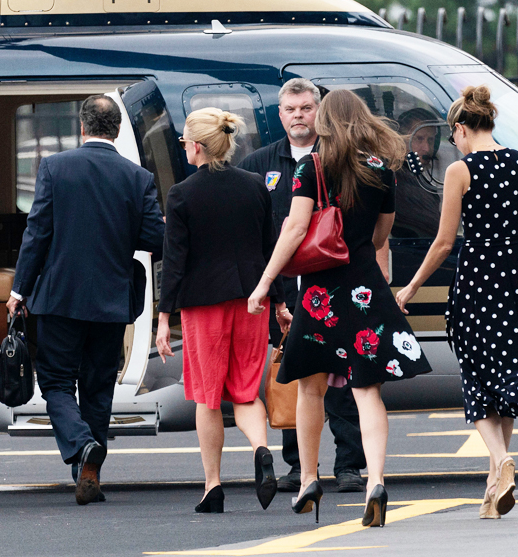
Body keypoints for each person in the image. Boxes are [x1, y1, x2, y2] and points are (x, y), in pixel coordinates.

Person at [248, 89, 432, 527]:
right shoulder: (381, 170)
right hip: (366, 286)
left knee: (310, 387)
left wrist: (265, 282)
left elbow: (294, 228)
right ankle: (376, 483)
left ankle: (309, 478)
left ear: (325, 120)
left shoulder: (310, 166)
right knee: (366, 389)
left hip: (319, 293)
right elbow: (382, 234)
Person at [7, 95, 165, 506]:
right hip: (111, 300)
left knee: (57, 381)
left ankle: (80, 445)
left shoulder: (55, 168)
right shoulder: (137, 177)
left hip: (60, 298)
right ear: (115, 130)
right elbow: (153, 239)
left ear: (82, 127)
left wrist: (19, 290)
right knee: (98, 387)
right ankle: (87, 470)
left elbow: (37, 232)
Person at [396, 85, 518, 521]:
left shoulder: (461, 170)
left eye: (452, 135)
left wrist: (411, 287)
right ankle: (493, 486)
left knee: (478, 382)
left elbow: (443, 243)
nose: (451, 143)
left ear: (461, 128)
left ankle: (500, 462)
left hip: (478, 283)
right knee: (509, 378)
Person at [155, 108, 289, 513]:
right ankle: (262, 449)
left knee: (208, 398)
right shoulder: (254, 187)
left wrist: (164, 318)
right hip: (252, 301)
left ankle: (213, 485)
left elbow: (174, 261)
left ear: (196, 146)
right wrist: (280, 301)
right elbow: (270, 249)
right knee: (247, 389)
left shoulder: (182, 194)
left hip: (203, 305)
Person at [239, 78, 367, 494]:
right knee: (293, 375)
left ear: (320, 110)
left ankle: (349, 465)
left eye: (307, 108)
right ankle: (297, 464)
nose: (299, 116)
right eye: (291, 109)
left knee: (342, 377)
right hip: (283, 287)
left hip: (332, 280)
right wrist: (270, 289)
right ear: (280, 114)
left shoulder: (337, 159)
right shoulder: (260, 164)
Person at [393, 108, 442, 239]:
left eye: (430, 140)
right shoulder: (399, 178)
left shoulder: (417, 177)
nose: (426, 148)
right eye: (419, 139)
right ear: (402, 140)